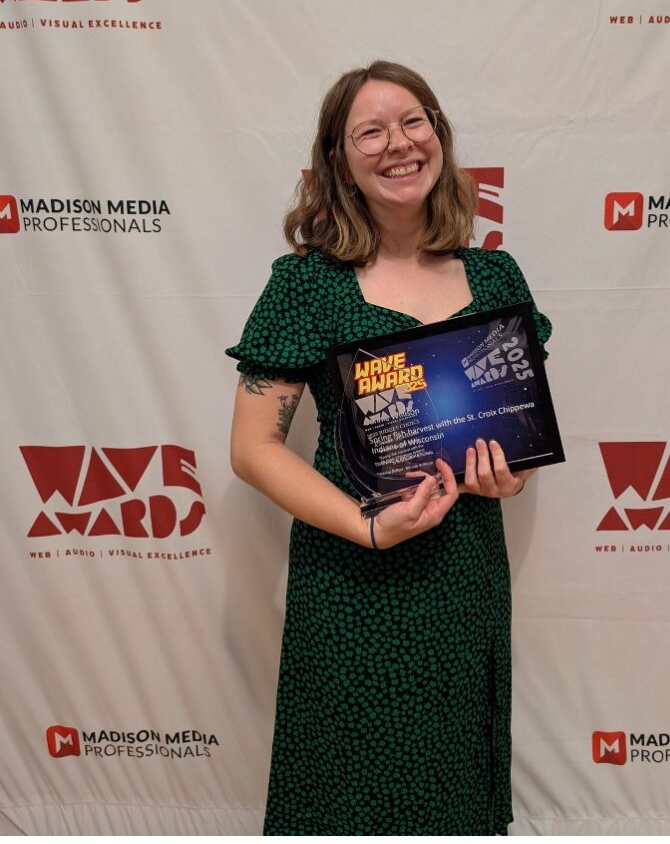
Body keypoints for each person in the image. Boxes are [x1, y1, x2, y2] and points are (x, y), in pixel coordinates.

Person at [226, 60, 552, 835]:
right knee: (341, 790)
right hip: (349, 581)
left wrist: (508, 478)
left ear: (437, 136)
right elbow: (253, 449)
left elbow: (520, 432)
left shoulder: (496, 276)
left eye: (414, 121)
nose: (397, 144)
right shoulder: (307, 284)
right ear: (339, 160)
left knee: (453, 790)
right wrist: (367, 527)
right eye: (369, 131)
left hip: (462, 577)